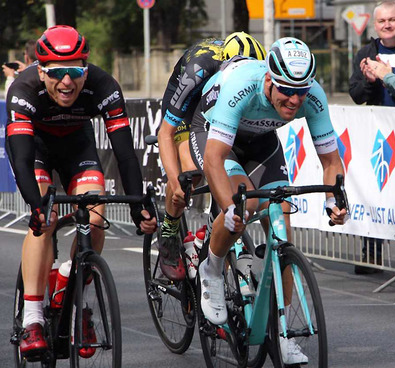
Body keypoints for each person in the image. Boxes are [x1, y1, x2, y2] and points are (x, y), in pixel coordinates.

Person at [189, 37, 347, 365]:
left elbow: (331, 161)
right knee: (243, 204)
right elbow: (215, 159)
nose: (294, 100)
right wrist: (230, 206)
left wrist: (336, 200)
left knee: (281, 221)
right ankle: (212, 269)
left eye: (301, 91)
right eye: (286, 90)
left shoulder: (312, 97)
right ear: (268, 79)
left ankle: (282, 329)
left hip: (261, 142)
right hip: (213, 134)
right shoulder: (242, 86)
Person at [5, 25, 157, 360]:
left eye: (75, 72)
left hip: (77, 145)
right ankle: (32, 317)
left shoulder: (104, 86)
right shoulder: (23, 88)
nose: (67, 83)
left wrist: (136, 207)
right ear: (41, 70)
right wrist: (36, 206)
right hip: (38, 147)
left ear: (86, 70)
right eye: (57, 73)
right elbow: (20, 157)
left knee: (96, 213)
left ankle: (76, 297)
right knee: (44, 218)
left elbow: (125, 153)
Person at [157, 32, 266, 281]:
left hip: (221, 102)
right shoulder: (200, 68)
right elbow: (166, 133)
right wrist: (175, 183)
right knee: (190, 175)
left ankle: (207, 235)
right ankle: (169, 229)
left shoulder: (258, 69)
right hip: (189, 103)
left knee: (230, 171)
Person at [348, 0, 395, 274]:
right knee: (375, 191)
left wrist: (388, 76)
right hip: (378, 134)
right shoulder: (366, 53)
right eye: (382, 21)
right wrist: (369, 82)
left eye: (392, 19)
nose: (387, 25)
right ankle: (372, 256)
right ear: (375, 25)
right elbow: (355, 95)